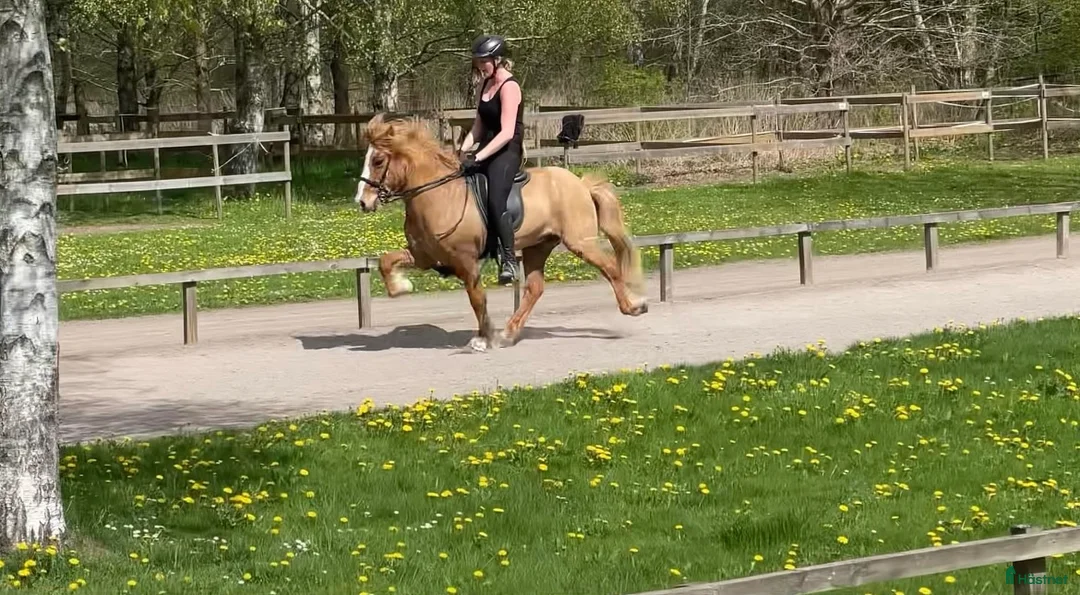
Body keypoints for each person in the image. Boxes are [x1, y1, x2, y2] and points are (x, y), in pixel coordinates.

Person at [459, 33, 525, 286]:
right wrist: (461, 150)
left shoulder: (510, 87)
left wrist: (478, 156)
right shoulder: (485, 85)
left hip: (507, 151)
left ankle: (509, 260)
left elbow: (507, 132)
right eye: (477, 61)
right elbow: (478, 126)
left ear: (497, 60)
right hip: (487, 147)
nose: (480, 66)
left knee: (496, 199)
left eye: (483, 61)